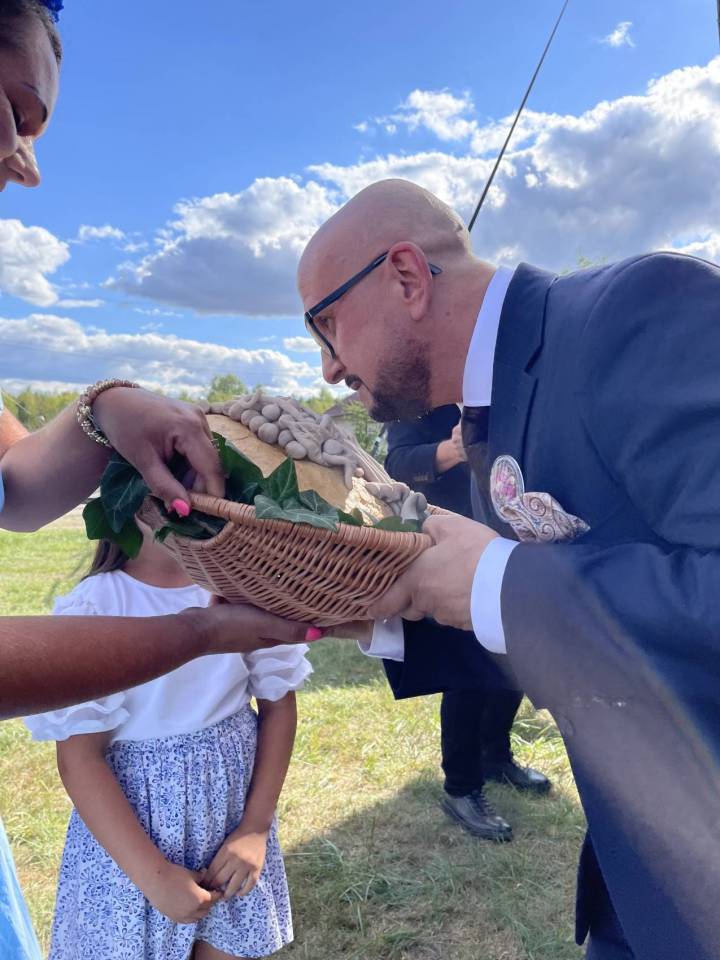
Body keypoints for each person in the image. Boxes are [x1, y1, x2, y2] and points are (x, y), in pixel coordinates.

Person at [297, 178, 720, 960]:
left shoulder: (639, 310)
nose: (327, 368)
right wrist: (382, 609)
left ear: (406, 277)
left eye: (325, 324)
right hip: (640, 884)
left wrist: (497, 581)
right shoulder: (494, 405)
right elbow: (554, 633)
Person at [0, 6, 314, 958]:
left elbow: (15, 492)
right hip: (136, 851)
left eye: (34, 124)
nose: (25, 164)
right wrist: (203, 632)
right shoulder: (107, 603)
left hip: (223, 816)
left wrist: (104, 405)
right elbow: (82, 750)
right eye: (10, 108)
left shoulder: (228, 595)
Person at [25, 524, 310, 960]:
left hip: (229, 825)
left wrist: (255, 827)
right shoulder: (97, 607)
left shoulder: (243, 589)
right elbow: (80, 758)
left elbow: (278, 707)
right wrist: (153, 877)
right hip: (134, 849)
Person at [385, 404, 549, 841]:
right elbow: (397, 464)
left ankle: (496, 756)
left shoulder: (502, 397)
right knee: (467, 678)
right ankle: (461, 787)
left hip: (511, 548)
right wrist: (452, 449)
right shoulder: (419, 400)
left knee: (514, 668)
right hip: (451, 558)